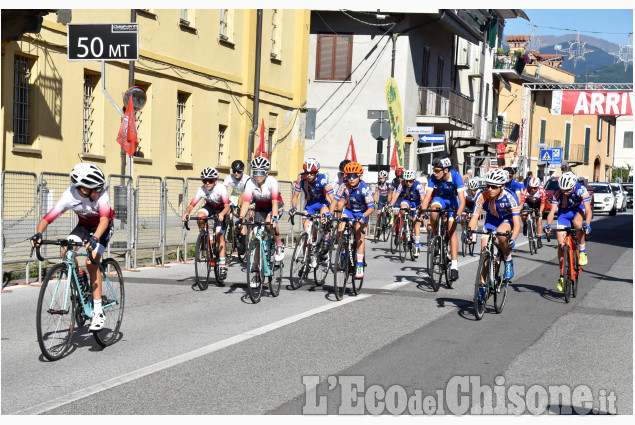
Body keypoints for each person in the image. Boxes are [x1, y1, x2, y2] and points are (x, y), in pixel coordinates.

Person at [31, 163, 114, 331]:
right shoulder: (69, 196)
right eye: (96, 188)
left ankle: (97, 312)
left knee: (91, 262)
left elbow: (104, 220)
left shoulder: (102, 196)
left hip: (103, 228)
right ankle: (80, 280)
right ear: (83, 189)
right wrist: (39, 234)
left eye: (100, 187)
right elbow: (46, 219)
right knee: (67, 250)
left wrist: (95, 238)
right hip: (84, 226)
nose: (100, 190)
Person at [465, 168, 521, 298]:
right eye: (488, 185)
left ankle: (508, 260)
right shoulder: (482, 195)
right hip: (491, 221)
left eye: (494, 186)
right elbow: (474, 217)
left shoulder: (510, 196)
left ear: (502, 186)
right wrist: (469, 233)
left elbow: (517, 223)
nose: (490, 189)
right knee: (483, 252)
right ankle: (482, 284)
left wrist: (512, 238)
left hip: (506, 220)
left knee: (501, 233)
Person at [419, 155, 466, 281]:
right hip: (440, 198)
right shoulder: (434, 178)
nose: (434, 173)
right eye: (433, 170)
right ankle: (437, 238)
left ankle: (455, 266)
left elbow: (462, 200)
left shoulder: (456, 176)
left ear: (446, 170)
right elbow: (427, 197)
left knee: (451, 229)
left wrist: (458, 214)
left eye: (437, 171)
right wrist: (422, 213)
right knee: (433, 212)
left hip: (453, 201)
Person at [544, 172, 592, 292]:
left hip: (578, 210)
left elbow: (588, 210)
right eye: (563, 189)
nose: (565, 192)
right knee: (561, 244)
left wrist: (587, 224)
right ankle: (561, 275)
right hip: (564, 214)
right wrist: (548, 225)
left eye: (568, 190)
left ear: (574, 185)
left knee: (577, 224)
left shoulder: (582, 190)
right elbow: (551, 212)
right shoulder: (557, 191)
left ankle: (582, 249)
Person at [182, 167, 231, 280]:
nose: (207, 183)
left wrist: (223, 214)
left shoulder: (221, 189)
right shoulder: (201, 190)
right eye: (205, 181)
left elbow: (227, 206)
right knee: (200, 216)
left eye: (210, 180)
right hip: (210, 207)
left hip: (222, 209)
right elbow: (191, 205)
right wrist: (186, 213)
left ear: (215, 181)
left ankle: (222, 266)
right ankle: (204, 235)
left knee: (220, 236)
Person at [329, 161, 375, 278]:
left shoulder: (365, 188)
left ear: (360, 176)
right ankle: (343, 254)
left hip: (362, 212)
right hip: (349, 211)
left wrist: (363, 216)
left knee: (359, 233)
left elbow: (371, 208)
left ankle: (359, 264)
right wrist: (330, 214)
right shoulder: (344, 186)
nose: (351, 179)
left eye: (354, 176)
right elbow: (335, 201)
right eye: (348, 176)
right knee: (340, 228)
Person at [237, 157, 285, 265]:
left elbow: (274, 202)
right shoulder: (250, 182)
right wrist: (241, 218)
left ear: (266, 173)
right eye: (255, 172)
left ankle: (278, 244)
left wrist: (275, 218)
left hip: (275, 205)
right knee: (257, 234)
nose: (258, 175)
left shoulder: (272, 182)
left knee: (269, 223)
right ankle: (256, 270)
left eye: (261, 172)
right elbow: (246, 202)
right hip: (261, 208)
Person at [289, 158, 334, 259]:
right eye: (307, 172)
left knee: (324, 218)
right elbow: (295, 196)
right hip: (310, 205)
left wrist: (331, 213)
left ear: (316, 172)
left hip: (323, 204)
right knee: (306, 231)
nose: (309, 175)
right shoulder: (301, 177)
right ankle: (306, 258)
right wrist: (294, 208)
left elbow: (332, 198)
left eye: (312, 173)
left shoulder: (323, 179)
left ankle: (326, 239)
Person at [389, 169, 426, 257]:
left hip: (416, 202)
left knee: (416, 222)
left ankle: (416, 246)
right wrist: (390, 205)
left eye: (410, 181)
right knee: (402, 209)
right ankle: (405, 224)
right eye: (406, 181)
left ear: (414, 180)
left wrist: (421, 209)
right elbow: (396, 196)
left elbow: (423, 199)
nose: (408, 183)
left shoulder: (418, 185)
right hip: (407, 200)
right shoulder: (402, 184)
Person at [223, 159, 250, 255]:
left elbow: (245, 194)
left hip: (245, 196)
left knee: (243, 219)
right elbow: (224, 189)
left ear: (242, 171)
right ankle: (229, 226)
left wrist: (240, 205)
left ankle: (243, 242)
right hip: (234, 195)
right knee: (226, 209)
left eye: (238, 171)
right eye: (234, 171)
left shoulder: (247, 179)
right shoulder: (229, 177)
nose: (236, 173)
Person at [520, 177, 547, 248]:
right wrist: (519, 210)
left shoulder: (542, 191)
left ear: (538, 187)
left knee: (539, 221)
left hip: (538, 203)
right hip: (529, 203)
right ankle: (525, 225)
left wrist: (540, 212)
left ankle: (539, 239)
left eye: (535, 188)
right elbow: (522, 202)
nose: (533, 189)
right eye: (531, 187)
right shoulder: (527, 190)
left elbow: (543, 203)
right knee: (523, 214)